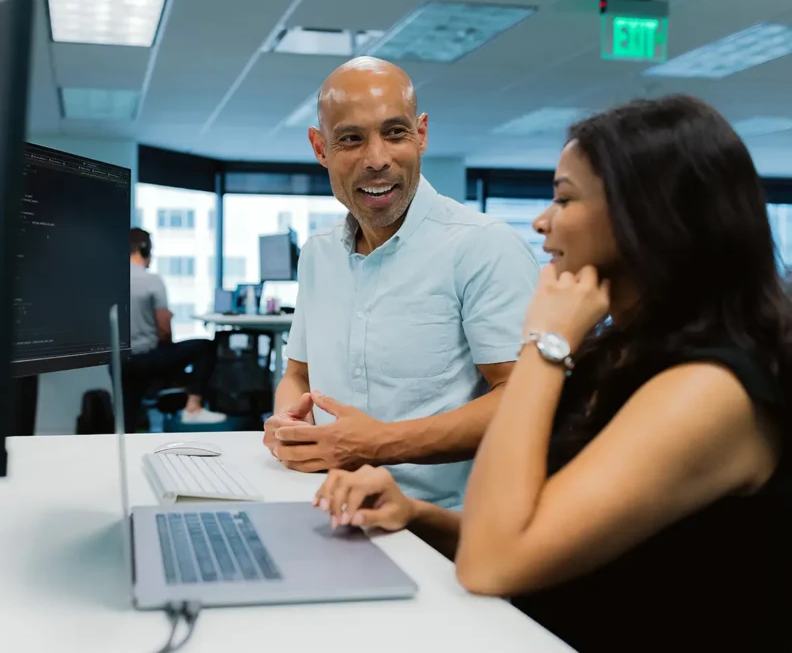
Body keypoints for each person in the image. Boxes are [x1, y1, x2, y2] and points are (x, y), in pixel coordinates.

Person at [313, 95, 792, 652]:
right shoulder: (619, 355)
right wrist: (414, 514)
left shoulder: (711, 390)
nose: (542, 221)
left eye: (564, 198)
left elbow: (494, 563)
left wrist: (543, 346)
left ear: (648, 216)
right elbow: (531, 529)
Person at [265, 57, 539, 509]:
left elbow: (524, 403)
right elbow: (298, 376)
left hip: (444, 532)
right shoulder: (319, 254)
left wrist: (376, 444)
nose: (377, 160)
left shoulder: (485, 248)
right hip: (328, 508)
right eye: (351, 139)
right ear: (320, 148)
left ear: (422, 133)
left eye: (395, 133)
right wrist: (287, 420)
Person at [124, 228, 226, 430]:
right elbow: (164, 328)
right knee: (206, 347)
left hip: (119, 362)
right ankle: (193, 408)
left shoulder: (109, 280)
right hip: (146, 357)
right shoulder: (151, 280)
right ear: (144, 249)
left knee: (129, 420)